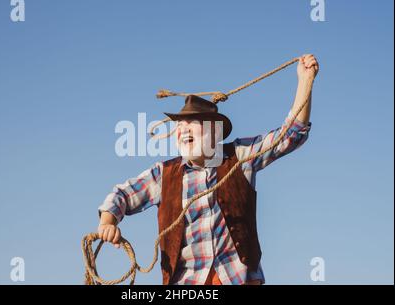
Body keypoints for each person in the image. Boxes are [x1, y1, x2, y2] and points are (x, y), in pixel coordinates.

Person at [97, 54, 319, 285]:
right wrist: (107, 223)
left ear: (214, 132)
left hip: (238, 280)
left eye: (192, 123)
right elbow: (121, 194)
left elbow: (290, 135)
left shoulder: (239, 157)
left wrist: (305, 81)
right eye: (179, 125)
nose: (183, 130)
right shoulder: (164, 175)